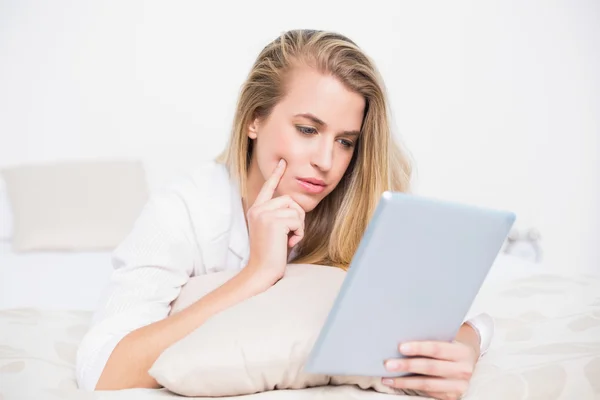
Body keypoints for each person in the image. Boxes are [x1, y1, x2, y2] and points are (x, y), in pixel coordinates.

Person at [76, 29, 493, 399]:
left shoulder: (364, 204)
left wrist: (464, 350)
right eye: (308, 130)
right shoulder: (185, 211)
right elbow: (101, 371)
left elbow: (472, 316)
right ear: (254, 119)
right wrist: (256, 275)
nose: (327, 161)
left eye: (346, 141)